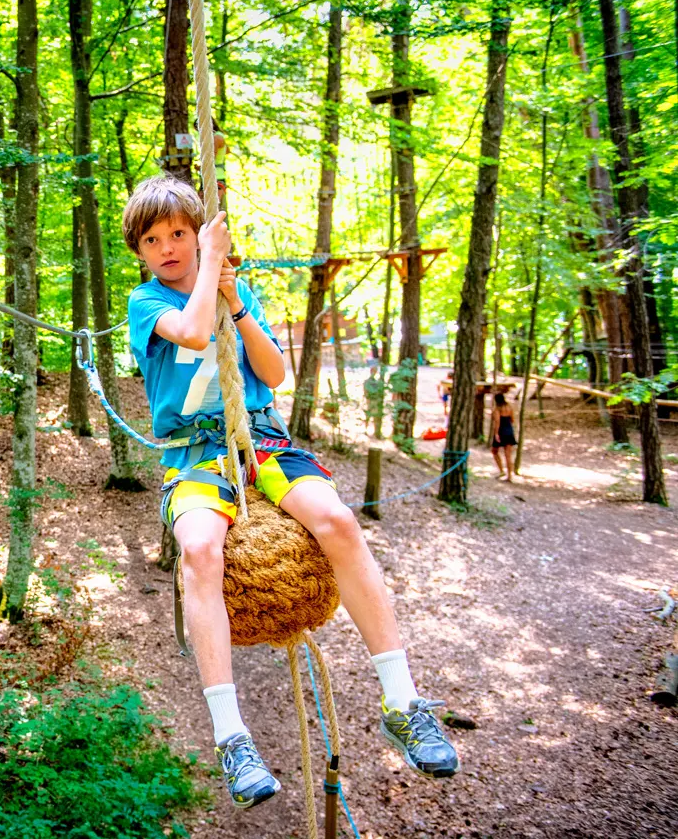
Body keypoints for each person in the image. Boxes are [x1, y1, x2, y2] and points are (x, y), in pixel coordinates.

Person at [123, 176, 458, 810]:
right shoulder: (146, 302)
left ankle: (403, 699)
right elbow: (194, 334)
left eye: (180, 234)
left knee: (336, 522)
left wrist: (238, 304)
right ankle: (231, 735)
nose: (168, 246)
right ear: (140, 251)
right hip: (195, 453)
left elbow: (274, 373)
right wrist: (213, 265)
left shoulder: (233, 288)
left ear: (196, 234)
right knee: (199, 548)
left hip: (263, 442)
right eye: (153, 239)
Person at [490, 392, 517, 481]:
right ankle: (509, 475)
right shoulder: (509, 407)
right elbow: (512, 419)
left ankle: (501, 470)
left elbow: (497, 422)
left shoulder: (497, 409)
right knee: (508, 455)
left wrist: (496, 433)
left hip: (501, 431)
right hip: (509, 431)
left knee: (494, 451)